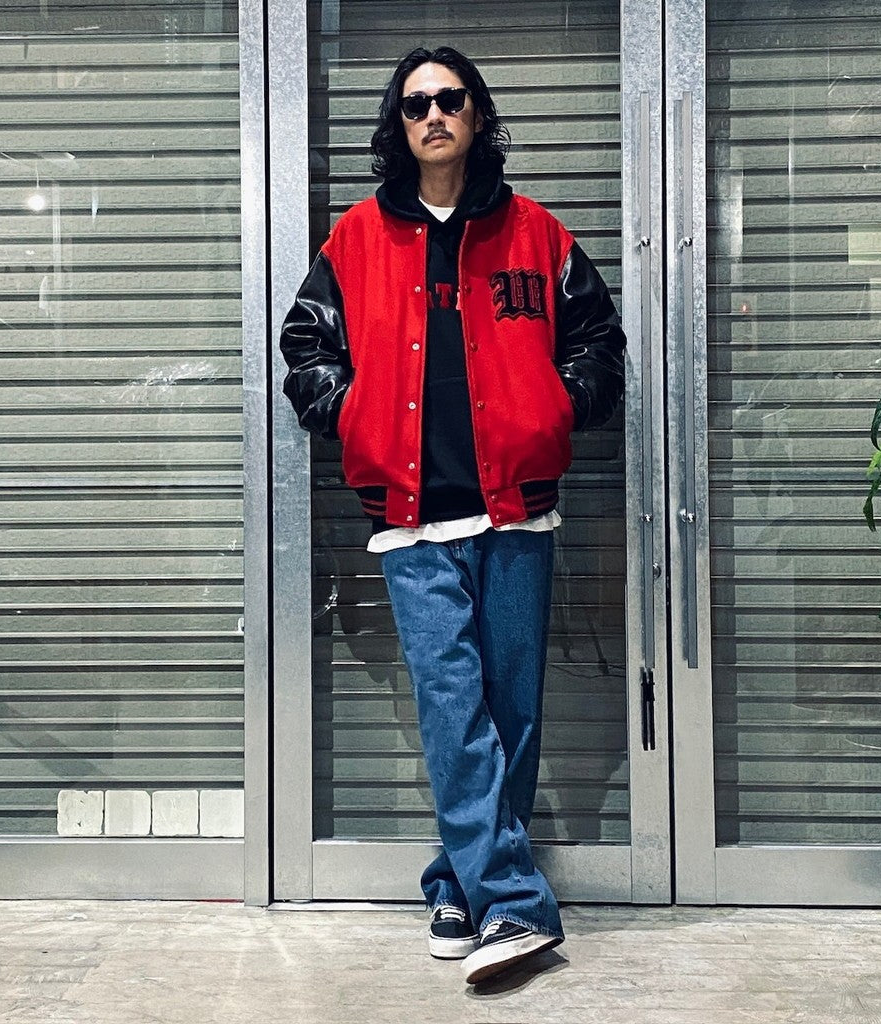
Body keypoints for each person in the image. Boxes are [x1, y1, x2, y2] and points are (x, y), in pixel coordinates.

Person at [280, 45, 625, 985]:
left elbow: (600, 341)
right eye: (415, 103)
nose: (433, 114)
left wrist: (553, 409)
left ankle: (456, 883)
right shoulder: (355, 239)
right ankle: (514, 905)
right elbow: (304, 348)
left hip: (517, 513)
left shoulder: (537, 234)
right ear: (398, 127)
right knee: (452, 708)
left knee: (512, 714)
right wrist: (352, 413)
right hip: (413, 518)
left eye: (451, 98)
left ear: (477, 115)